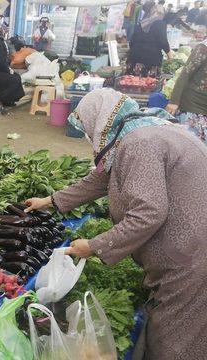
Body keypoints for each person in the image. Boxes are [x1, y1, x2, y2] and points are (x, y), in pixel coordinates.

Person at [24, 87, 207, 360]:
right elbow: (100, 180)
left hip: (191, 257)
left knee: (173, 338)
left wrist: (95, 246)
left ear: (101, 121)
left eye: (87, 128)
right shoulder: (141, 129)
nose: (88, 137)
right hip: (190, 246)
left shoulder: (138, 144)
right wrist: (49, 200)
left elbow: (149, 212)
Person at [165, 40, 207, 144]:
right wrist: (174, 101)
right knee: (189, 148)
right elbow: (185, 74)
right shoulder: (203, 48)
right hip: (193, 107)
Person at [126, 1, 172, 77]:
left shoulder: (142, 23)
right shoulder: (160, 23)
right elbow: (162, 41)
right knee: (148, 84)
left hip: (135, 58)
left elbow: (132, 41)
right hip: (151, 60)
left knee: (132, 83)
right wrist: (169, 54)